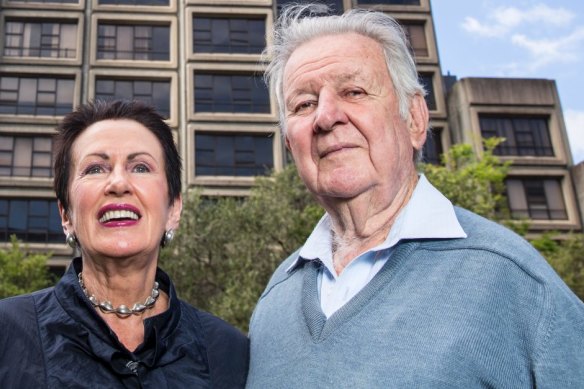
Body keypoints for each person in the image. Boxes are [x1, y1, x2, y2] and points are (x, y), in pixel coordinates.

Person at [246, 5, 584, 388]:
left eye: (354, 91)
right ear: (291, 145)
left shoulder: (514, 281)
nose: (325, 116)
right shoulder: (274, 299)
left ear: (415, 120)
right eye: (304, 104)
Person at [0, 100, 249, 388]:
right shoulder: (8, 333)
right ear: (66, 214)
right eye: (95, 169)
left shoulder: (228, 352)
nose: (118, 182)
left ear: (173, 209)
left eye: (141, 167)